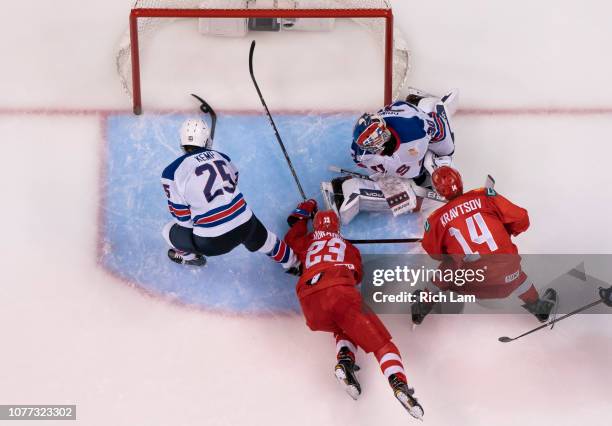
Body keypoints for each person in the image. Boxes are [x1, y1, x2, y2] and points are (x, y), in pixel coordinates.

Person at [284, 200, 424, 419]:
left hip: (309, 305)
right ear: (337, 228)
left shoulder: (306, 242)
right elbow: (357, 276)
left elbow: (291, 237)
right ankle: (399, 384)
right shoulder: (349, 248)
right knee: (383, 345)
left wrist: (305, 212)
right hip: (339, 292)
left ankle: (346, 362)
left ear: (316, 226)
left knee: (342, 326)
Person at [415, 166, 557, 324]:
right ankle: (538, 307)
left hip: (470, 285)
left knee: (449, 264)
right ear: (460, 180)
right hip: (507, 280)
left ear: (438, 191)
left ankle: (422, 306)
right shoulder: (484, 195)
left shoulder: (435, 220)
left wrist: (453, 250)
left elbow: (434, 254)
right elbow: (522, 218)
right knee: (508, 266)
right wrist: (505, 231)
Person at [160, 117, 299, 273]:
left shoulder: (171, 172)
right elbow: (234, 180)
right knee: (267, 240)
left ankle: (191, 258)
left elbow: (183, 220)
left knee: (167, 231)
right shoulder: (223, 157)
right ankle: (293, 263)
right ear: (206, 140)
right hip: (246, 224)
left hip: (210, 242)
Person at [327, 88, 459, 224]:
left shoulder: (413, 128)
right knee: (403, 200)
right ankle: (346, 189)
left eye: (379, 137)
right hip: (399, 168)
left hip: (413, 128)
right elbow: (364, 163)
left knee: (447, 151)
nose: (377, 143)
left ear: (384, 127)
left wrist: (442, 162)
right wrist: (385, 177)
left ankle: (421, 101)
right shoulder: (361, 153)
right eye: (371, 144)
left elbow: (439, 130)